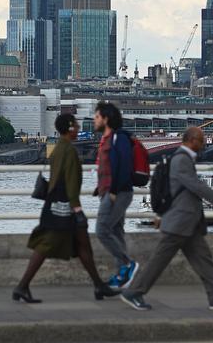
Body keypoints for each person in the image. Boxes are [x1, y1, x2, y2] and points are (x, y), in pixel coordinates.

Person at [120, 126, 213, 311]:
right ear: (192, 140)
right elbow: (195, 185)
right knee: (158, 262)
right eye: (201, 140)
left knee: (204, 260)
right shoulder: (181, 160)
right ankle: (133, 292)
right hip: (179, 222)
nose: (203, 144)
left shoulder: (182, 158)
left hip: (187, 223)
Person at [13, 113, 118, 303]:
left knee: (82, 245)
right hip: (63, 207)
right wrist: (77, 209)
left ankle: (99, 286)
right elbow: (70, 183)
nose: (78, 129)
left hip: (55, 204)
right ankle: (21, 286)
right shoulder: (69, 151)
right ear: (69, 128)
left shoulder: (58, 148)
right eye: (76, 126)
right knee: (47, 246)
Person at [94, 102, 139, 289]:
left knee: (102, 229)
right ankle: (122, 276)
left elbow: (124, 166)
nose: (94, 120)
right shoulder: (106, 138)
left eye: (97, 117)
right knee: (116, 232)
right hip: (108, 192)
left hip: (118, 193)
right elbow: (107, 167)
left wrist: (112, 191)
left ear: (106, 119)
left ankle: (128, 264)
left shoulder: (118, 138)